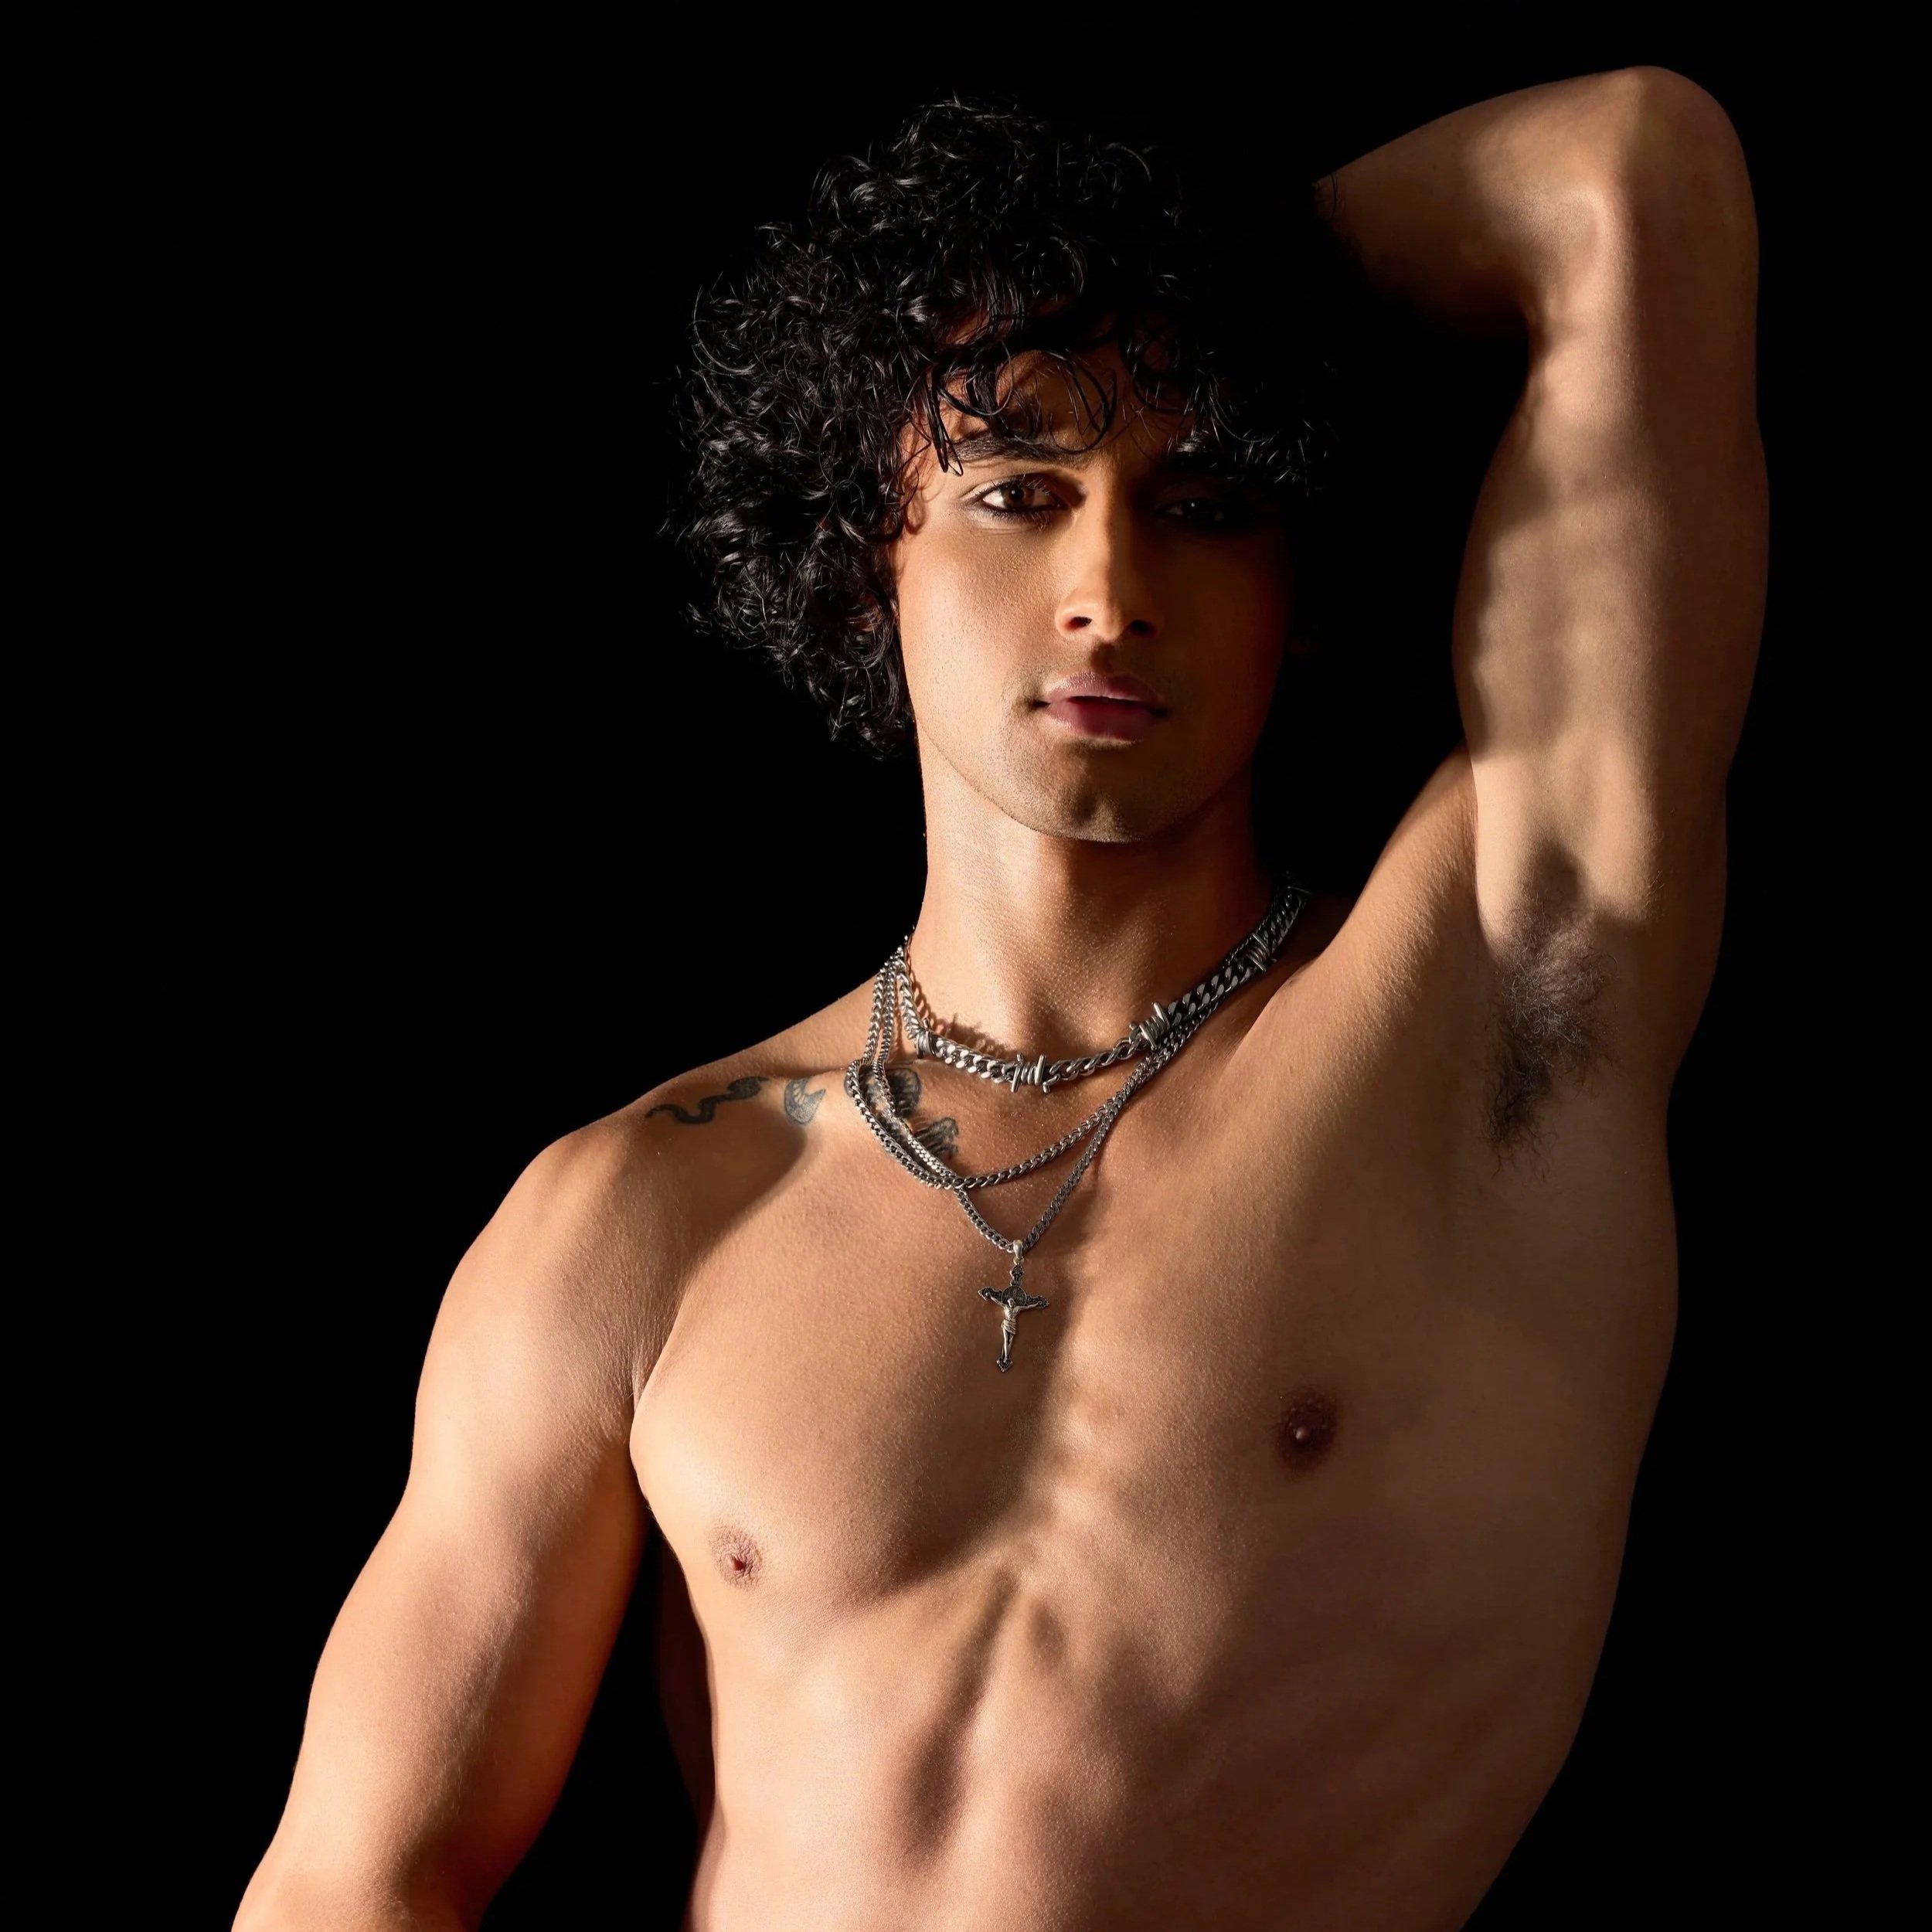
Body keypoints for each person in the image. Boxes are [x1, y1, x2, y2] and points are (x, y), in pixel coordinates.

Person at [236, 67, 1765, 1932]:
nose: (1109, 586)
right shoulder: (647, 1211)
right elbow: (353, 1877)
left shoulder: (1492, 1028)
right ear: (862, 554)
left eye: (1201, 500)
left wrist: (1180, 276)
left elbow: (1630, 169)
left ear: (1294, 579)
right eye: (1018, 491)